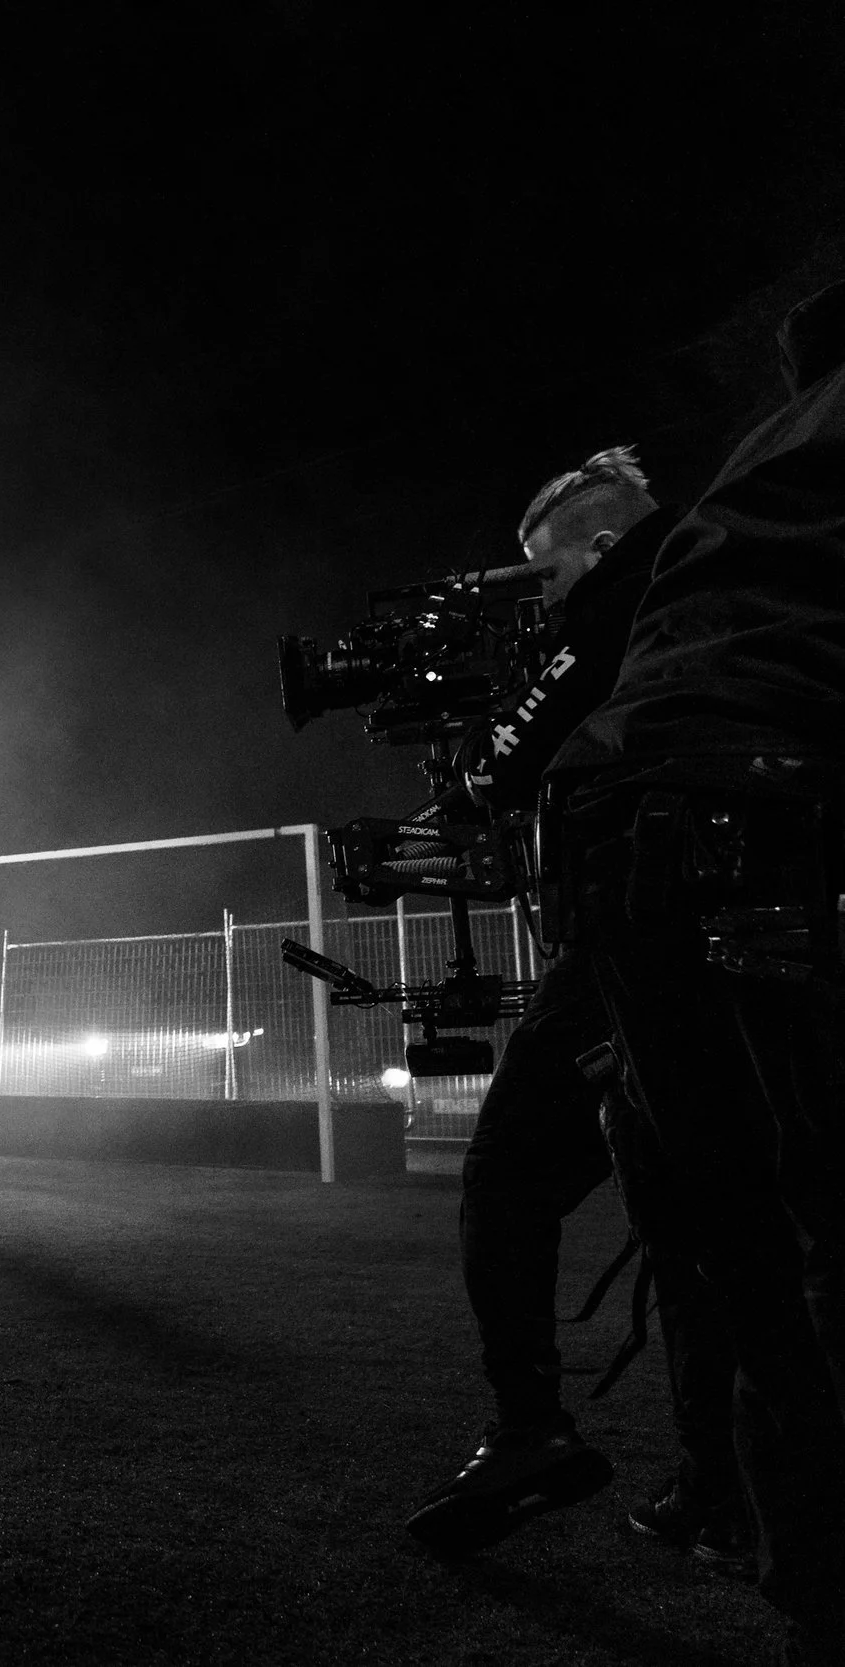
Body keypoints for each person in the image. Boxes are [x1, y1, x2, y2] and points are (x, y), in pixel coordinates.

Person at [540, 281, 845, 1658]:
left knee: (739, 1235)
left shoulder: (755, 460)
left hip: (618, 819)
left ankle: (800, 1563)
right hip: (766, 795)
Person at [407, 448, 745, 1567]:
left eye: (549, 580)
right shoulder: (733, 573)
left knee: (506, 1177)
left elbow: (495, 767)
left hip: (638, 938)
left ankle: (530, 1428)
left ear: (602, 548)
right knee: (699, 1218)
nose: (547, 606)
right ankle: (725, 1485)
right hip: (742, 932)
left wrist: (476, 741)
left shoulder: (627, 591)